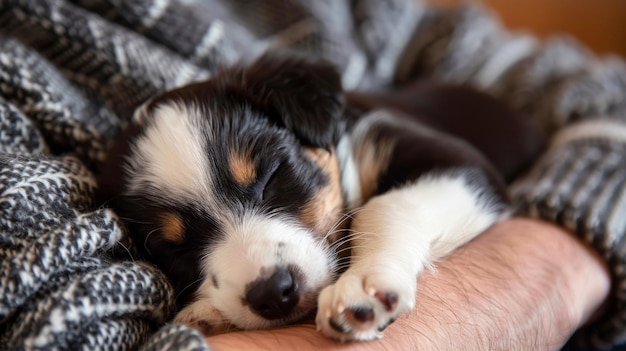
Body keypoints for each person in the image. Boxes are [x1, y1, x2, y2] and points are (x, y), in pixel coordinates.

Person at [0, 0, 624, 350]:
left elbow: (475, 180)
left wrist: (388, 251)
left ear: (313, 126)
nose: (261, 276)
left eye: (271, 181)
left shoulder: (366, 133)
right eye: (182, 244)